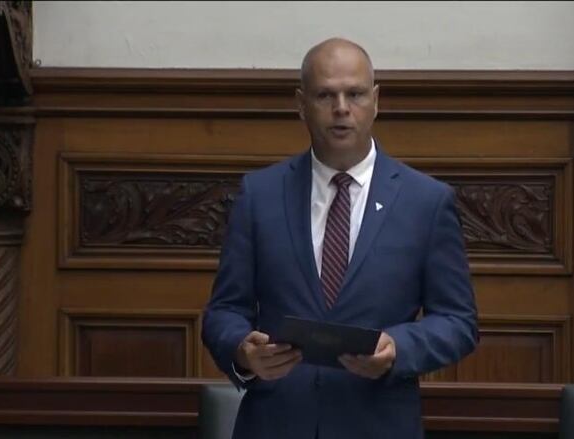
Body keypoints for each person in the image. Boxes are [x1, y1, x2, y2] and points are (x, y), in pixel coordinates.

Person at [201, 37, 478, 439]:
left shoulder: (426, 202)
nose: (342, 108)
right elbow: (223, 311)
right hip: (276, 424)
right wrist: (244, 351)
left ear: (377, 100)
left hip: (378, 423)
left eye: (355, 94)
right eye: (325, 95)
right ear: (300, 104)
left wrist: (398, 348)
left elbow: (459, 322)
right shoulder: (260, 195)